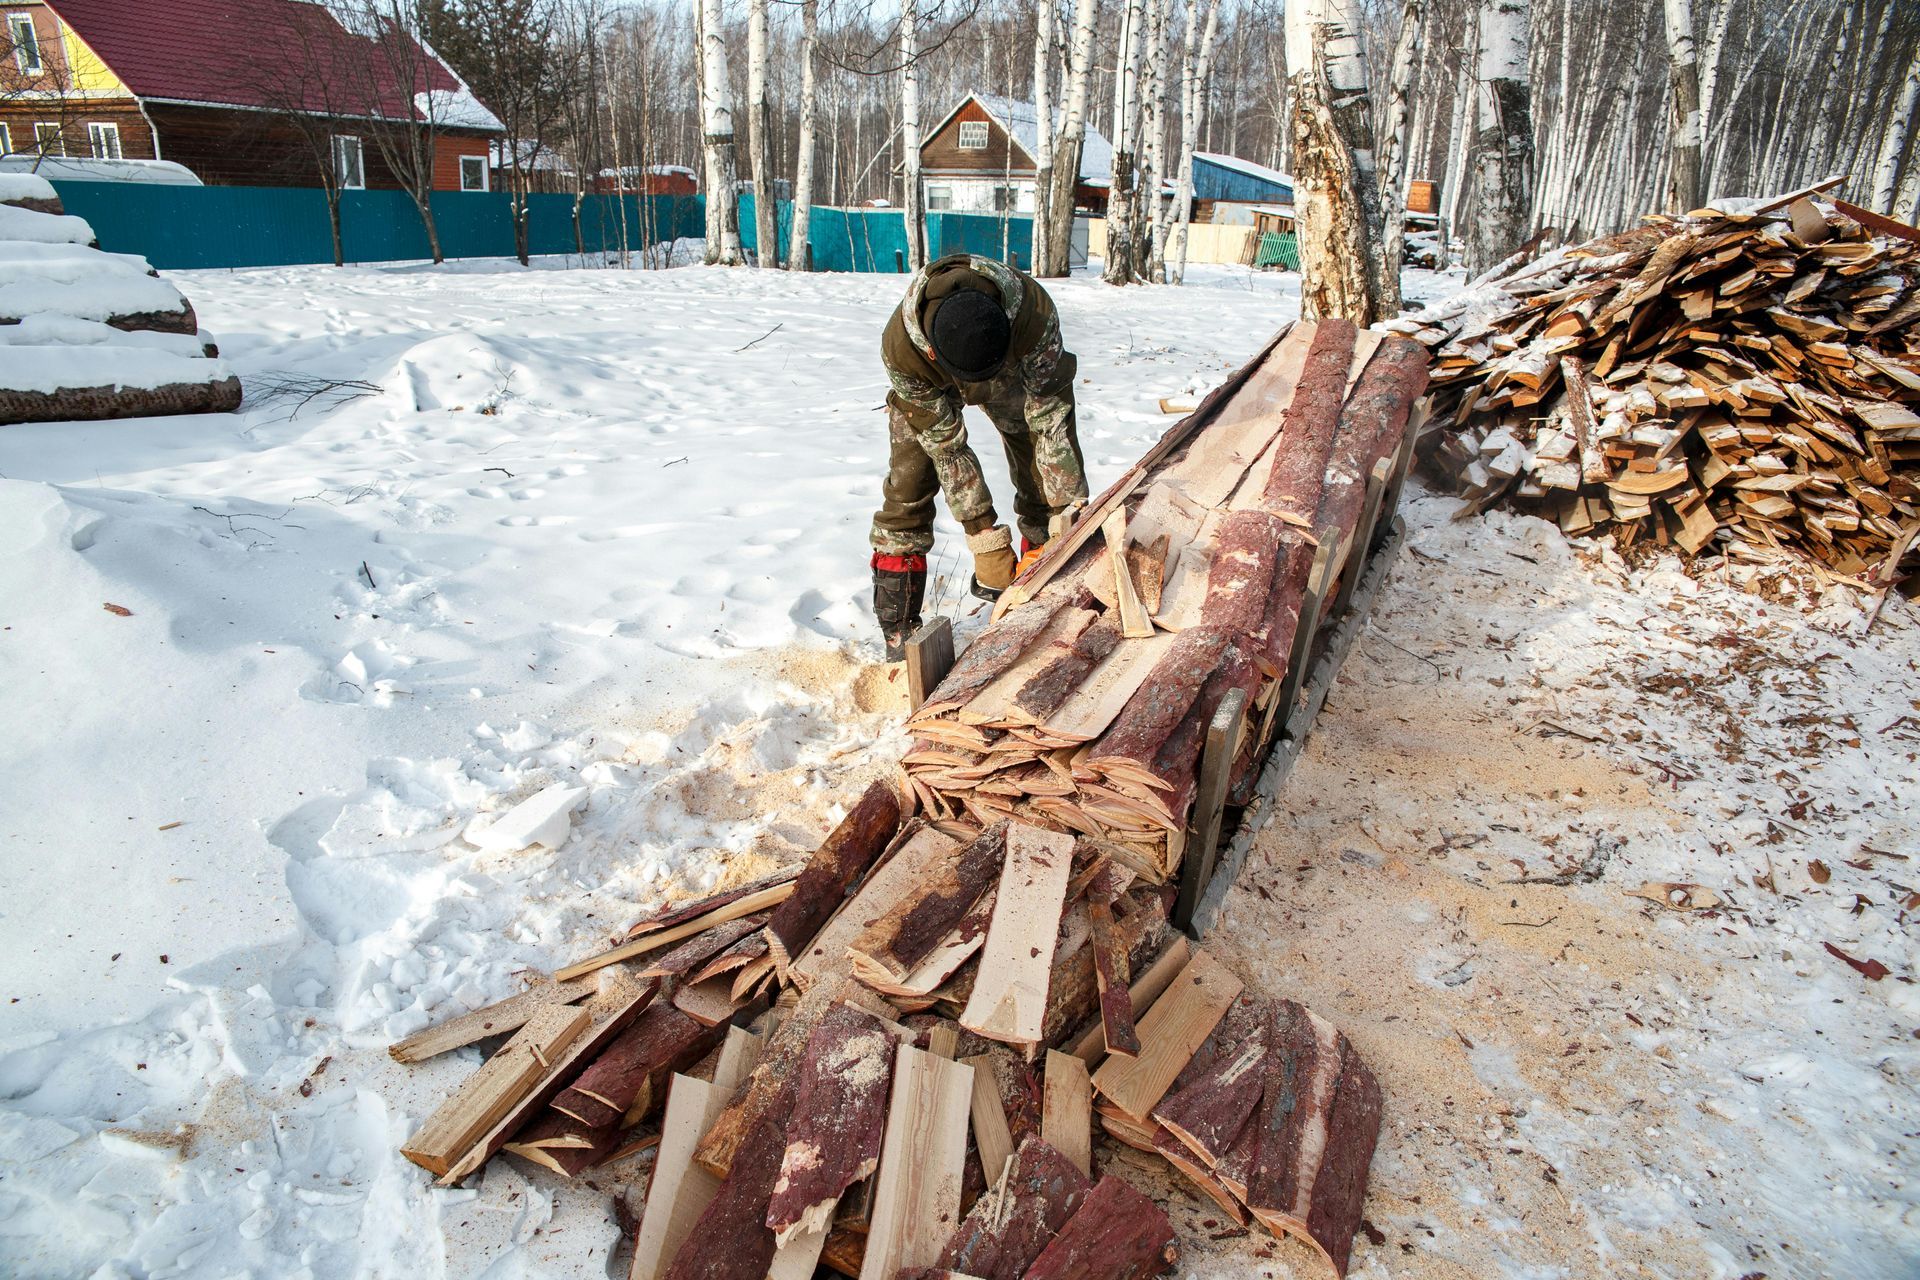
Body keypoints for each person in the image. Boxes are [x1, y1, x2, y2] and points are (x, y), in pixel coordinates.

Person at [869, 252, 1089, 660]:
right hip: (928, 386)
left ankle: (1041, 585)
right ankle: (899, 633)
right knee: (910, 486)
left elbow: (1052, 423)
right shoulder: (903, 353)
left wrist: (1066, 519)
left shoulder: (1033, 316)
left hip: (1010, 368)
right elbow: (948, 449)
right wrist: (983, 534)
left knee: (1042, 474)